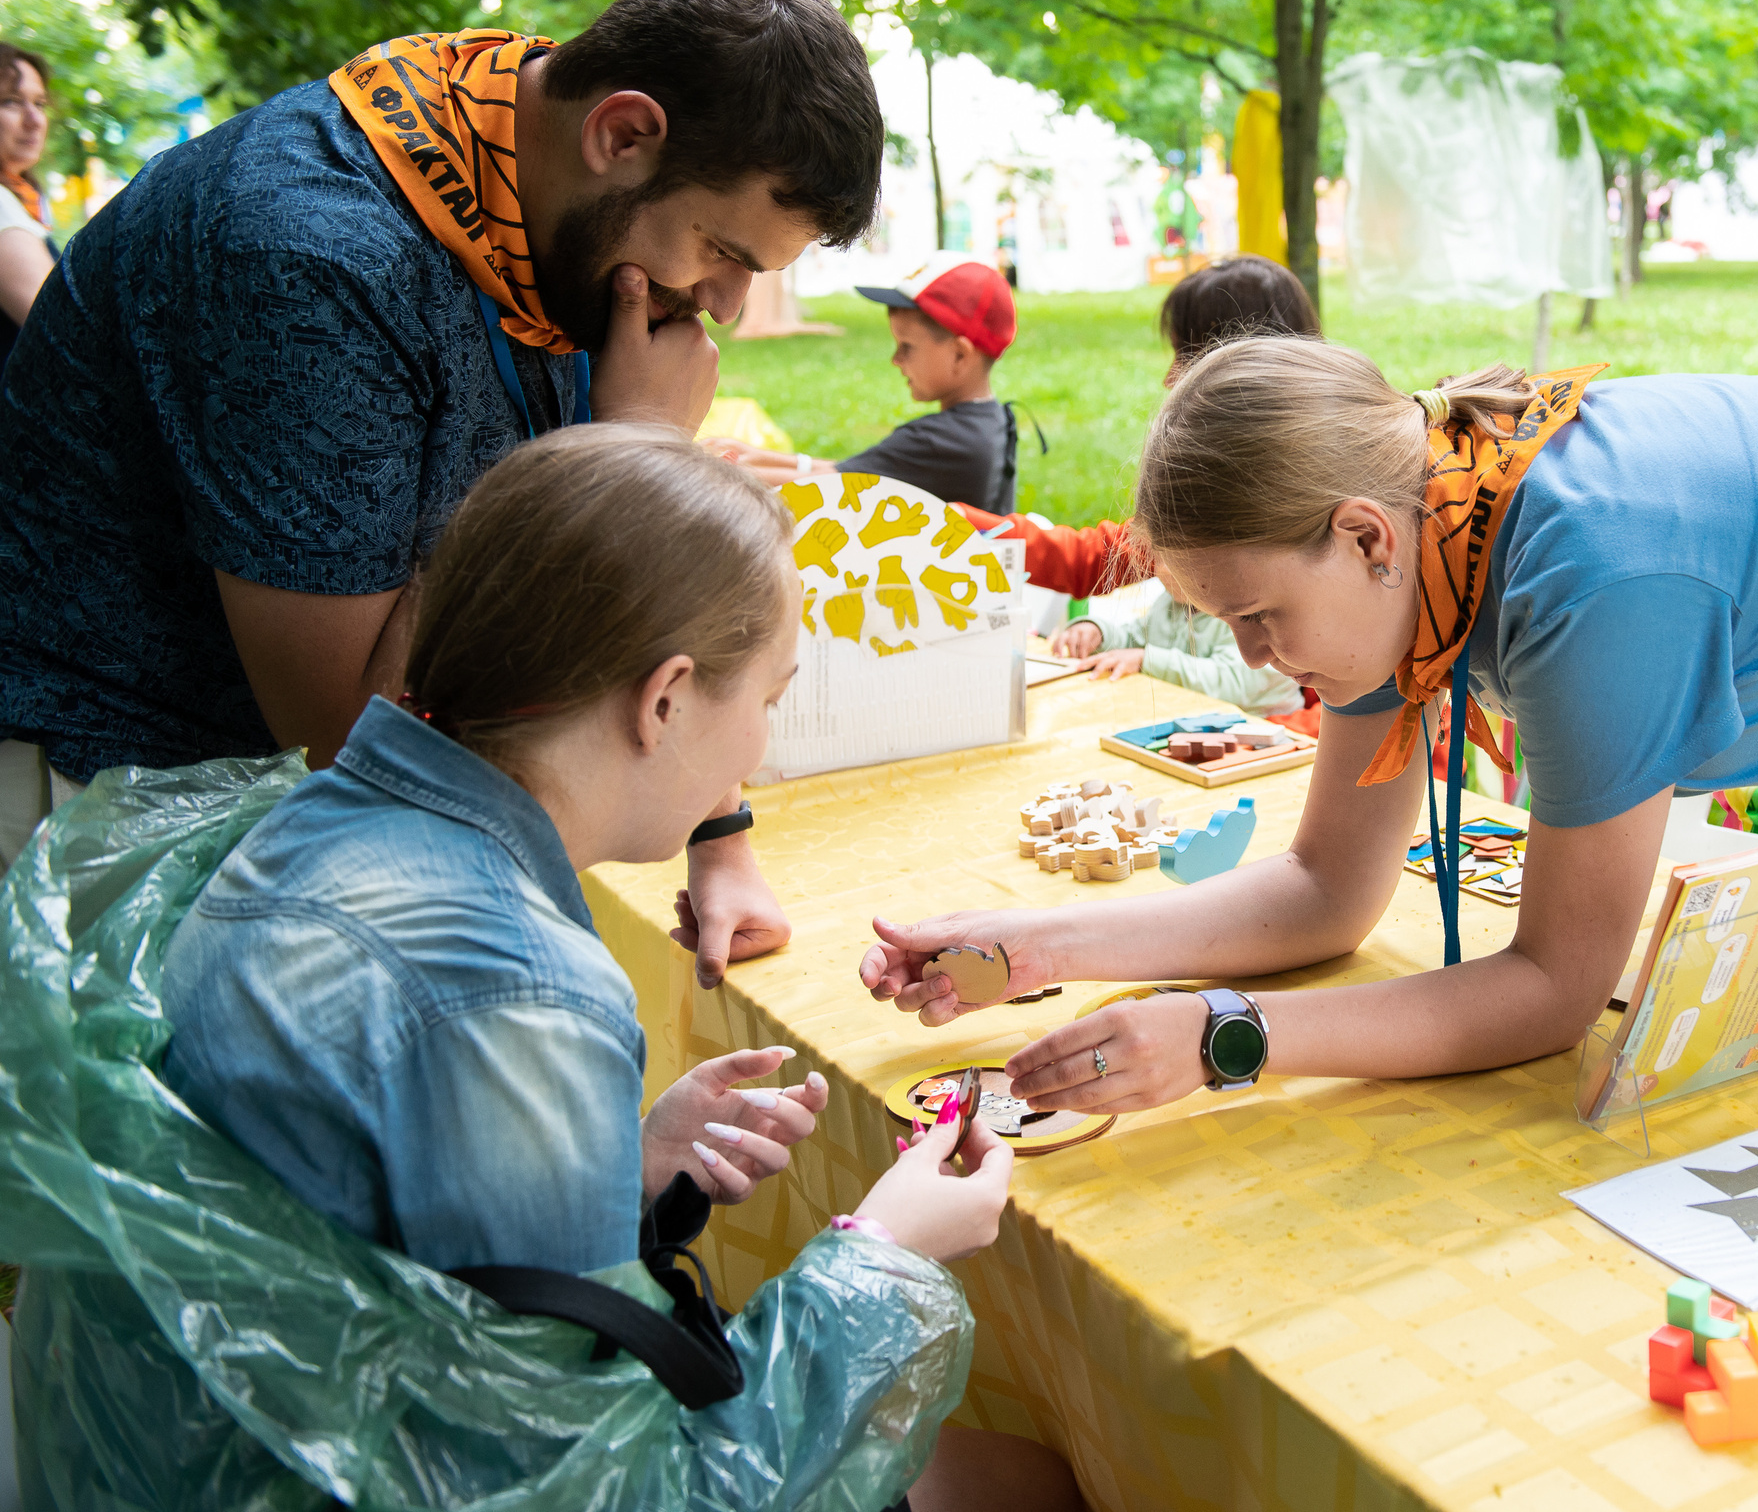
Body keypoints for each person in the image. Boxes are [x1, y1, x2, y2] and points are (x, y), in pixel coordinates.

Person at [861, 351, 1758, 1118]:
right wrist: (1046, 945)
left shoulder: (1594, 582)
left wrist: (1229, 1039)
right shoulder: (1409, 540)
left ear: (1359, 534)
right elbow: (1327, 892)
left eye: (1257, 619)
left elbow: (1546, 992)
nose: (1254, 657)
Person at [154, 425, 1080, 1510]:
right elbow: (609, 1488)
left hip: (223, 1439)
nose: (761, 756)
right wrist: (886, 1253)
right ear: (666, 698)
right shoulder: (520, 989)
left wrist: (618, 1172)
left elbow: (399, 1221)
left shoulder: (324, 823)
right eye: (770, 699)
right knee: (1036, 1483)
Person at [0, 0, 876, 994]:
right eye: (722, 249)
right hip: (116, 814)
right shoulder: (309, 258)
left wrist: (717, 832)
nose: (724, 303)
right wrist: (621, 450)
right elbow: (357, 735)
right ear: (624, 133)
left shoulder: (534, 187)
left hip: (278, 815)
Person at [958, 253, 1322, 601]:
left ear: (1240, 365)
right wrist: (965, 525)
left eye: (1187, 357)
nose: (1169, 379)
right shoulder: (1222, 482)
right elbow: (1097, 560)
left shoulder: (1299, 501)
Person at [713, 253, 1020, 509]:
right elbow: (848, 470)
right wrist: (747, 455)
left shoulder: (944, 442)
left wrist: (718, 472)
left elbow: (832, 484)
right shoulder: (984, 422)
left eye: (907, 346)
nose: (896, 360)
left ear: (960, 355)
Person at [1051, 569, 1303, 715]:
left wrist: (1144, 659)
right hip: (1194, 721)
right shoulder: (1171, 601)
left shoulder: (1247, 610)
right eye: (1159, 558)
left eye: (1176, 561)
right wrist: (1098, 632)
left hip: (1265, 729)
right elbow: (1137, 637)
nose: (1163, 570)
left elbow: (1233, 683)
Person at [0, 41, 57, 369]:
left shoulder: (22, 198)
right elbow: (65, 328)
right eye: (11, 101)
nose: (35, 120)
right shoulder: (3, 207)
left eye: (40, 103)